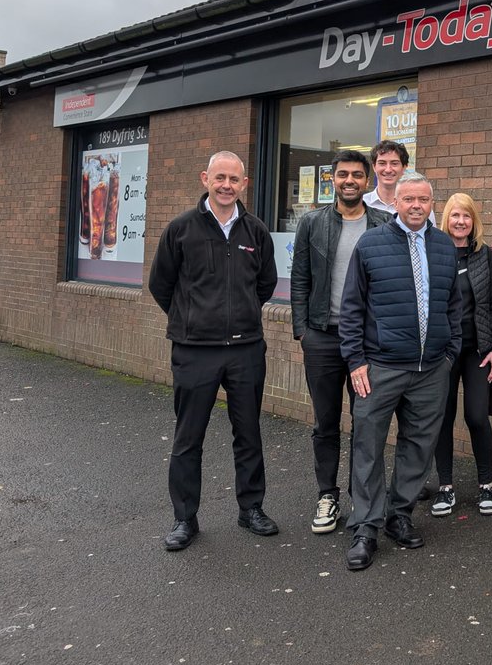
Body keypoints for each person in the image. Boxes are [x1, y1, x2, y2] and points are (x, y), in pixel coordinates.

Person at [149, 151, 279, 551]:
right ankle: (185, 518)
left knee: (249, 432)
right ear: (205, 178)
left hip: (245, 350)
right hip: (194, 352)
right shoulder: (181, 229)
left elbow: (266, 285)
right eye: (219, 177)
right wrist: (191, 320)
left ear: (244, 184)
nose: (226, 185)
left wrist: (238, 318)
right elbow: (161, 285)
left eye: (234, 179)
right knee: (189, 437)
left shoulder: (256, 232)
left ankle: (251, 508)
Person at [339, 172, 462, 571]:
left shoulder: (444, 247)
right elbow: (352, 307)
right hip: (381, 367)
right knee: (368, 446)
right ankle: (365, 527)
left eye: (423, 200)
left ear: (432, 203)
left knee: (418, 446)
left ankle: (399, 515)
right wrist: (356, 360)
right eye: (408, 199)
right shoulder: (371, 244)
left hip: (431, 370)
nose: (415, 206)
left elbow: (454, 307)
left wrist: (449, 354)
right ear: (395, 202)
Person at [291, 149, 391, 534]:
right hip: (321, 338)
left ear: (368, 181)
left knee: (367, 423)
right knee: (326, 422)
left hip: (366, 344)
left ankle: (362, 499)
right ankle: (327, 495)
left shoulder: (384, 224)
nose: (350, 180)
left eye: (357, 175)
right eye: (343, 174)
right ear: (332, 179)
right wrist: (303, 330)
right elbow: (299, 277)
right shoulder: (312, 223)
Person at [430, 194, 492, 518]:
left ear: (474, 222)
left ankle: (486, 484)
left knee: (476, 416)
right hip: (443, 352)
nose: (461, 221)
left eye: (467, 216)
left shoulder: (484, 255)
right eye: (455, 215)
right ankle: (445, 487)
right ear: (447, 219)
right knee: (442, 418)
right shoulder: (434, 252)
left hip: (478, 350)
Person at [362, 140, 409, 214]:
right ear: (374, 167)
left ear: (404, 167)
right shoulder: (361, 204)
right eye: (382, 163)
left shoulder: (417, 207)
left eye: (394, 163)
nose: (388, 170)